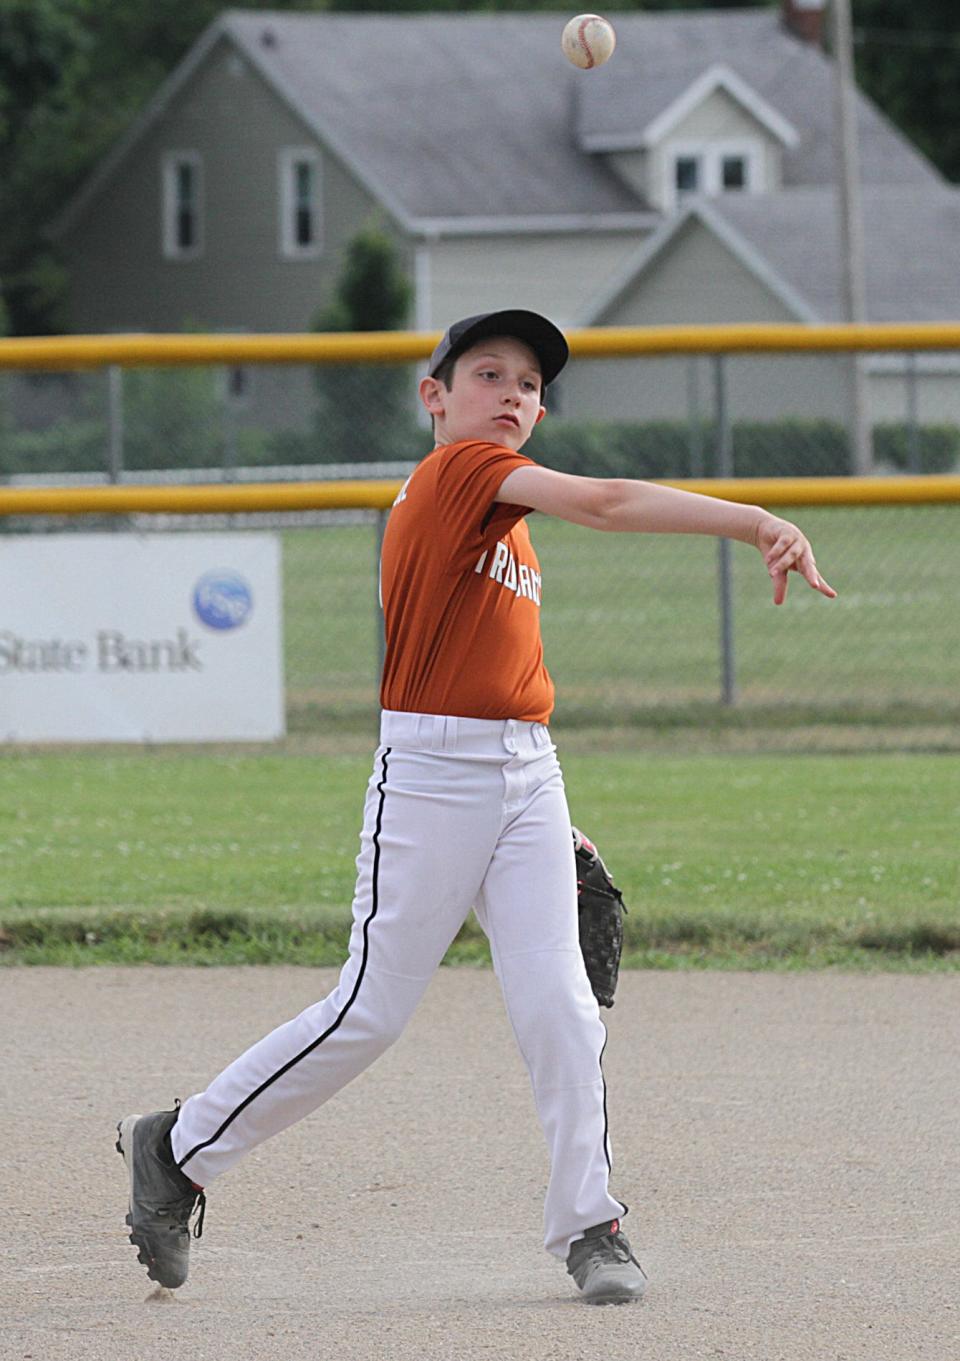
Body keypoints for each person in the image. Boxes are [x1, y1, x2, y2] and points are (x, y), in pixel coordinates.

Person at [117, 309, 836, 1306]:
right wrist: (755, 519)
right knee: (368, 1011)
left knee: (562, 1007)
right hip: (428, 779)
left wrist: (543, 813)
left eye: (529, 383)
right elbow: (613, 502)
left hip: (522, 776)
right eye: (487, 372)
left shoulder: (506, 524)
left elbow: (506, 678)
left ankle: (592, 1222)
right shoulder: (460, 473)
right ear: (436, 397)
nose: (510, 393)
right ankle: (176, 1142)